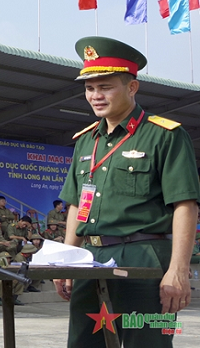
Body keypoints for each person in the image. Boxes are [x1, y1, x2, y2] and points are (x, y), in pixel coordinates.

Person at [55, 36, 200, 348]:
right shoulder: (85, 141)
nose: (96, 95)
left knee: (148, 344)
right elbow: (77, 204)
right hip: (90, 261)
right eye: (90, 88)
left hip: (144, 259)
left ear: (131, 87)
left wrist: (178, 270)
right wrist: (69, 258)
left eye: (105, 86)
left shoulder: (165, 136)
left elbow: (185, 206)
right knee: (84, 343)